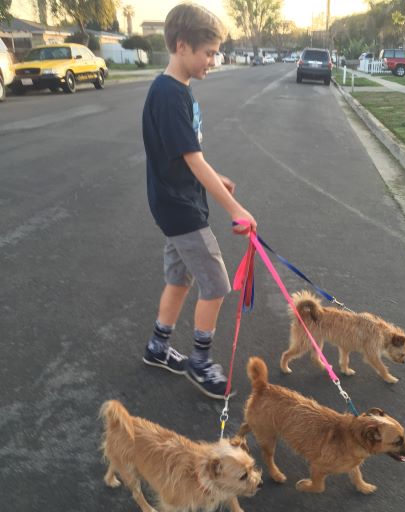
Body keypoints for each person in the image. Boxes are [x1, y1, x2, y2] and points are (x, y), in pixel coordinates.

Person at [141, 3, 257, 400]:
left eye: (215, 53)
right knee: (216, 283)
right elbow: (192, 159)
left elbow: (186, 155)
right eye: (208, 53)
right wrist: (236, 209)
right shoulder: (169, 95)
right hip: (180, 208)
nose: (213, 60)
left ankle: (158, 347)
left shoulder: (178, 90)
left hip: (176, 201)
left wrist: (215, 177)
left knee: (179, 277)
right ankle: (200, 362)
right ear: (181, 45)